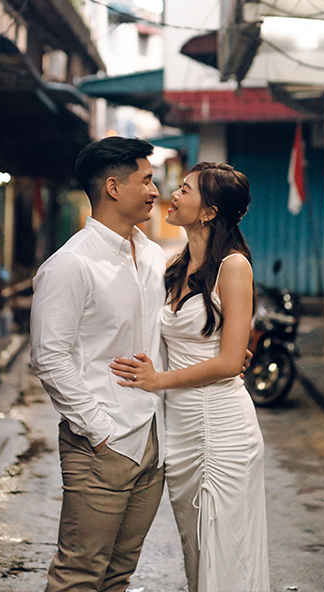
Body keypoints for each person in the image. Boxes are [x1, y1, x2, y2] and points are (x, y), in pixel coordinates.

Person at [110, 163, 269, 592]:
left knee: (225, 549)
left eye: (185, 189)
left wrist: (157, 380)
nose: (172, 195)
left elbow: (228, 361)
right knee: (195, 552)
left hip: (222, 428)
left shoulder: (233, 267)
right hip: (178, 429)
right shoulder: (176, 265)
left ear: (208, 212)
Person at [30, 136, 167, 592]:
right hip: (101, 446)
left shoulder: (150, 255)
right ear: (113, 187)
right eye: (146, 179)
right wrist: (99, 430)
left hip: (151, 440)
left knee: (118, 577)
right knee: (78, 577)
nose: (155, 189)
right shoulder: (70, 265)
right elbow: (49, 358)